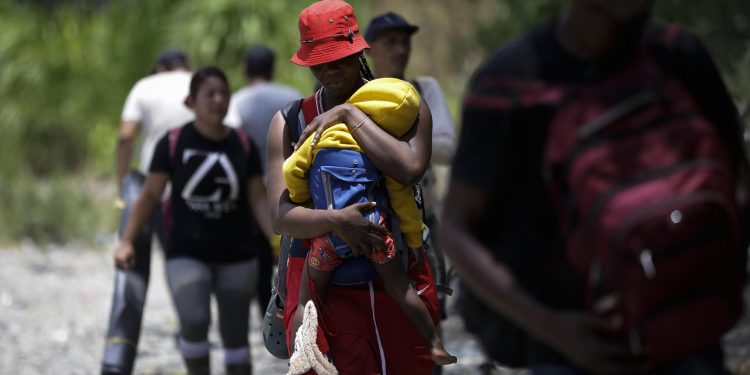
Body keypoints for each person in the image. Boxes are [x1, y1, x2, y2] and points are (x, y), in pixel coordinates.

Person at [441, 0, 749, 374]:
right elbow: (456, 229)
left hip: (688, 336)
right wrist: (552, 328)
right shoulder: (512, 83)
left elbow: (736, 178)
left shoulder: (678, 56)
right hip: (573, 349)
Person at [266, 1, 442, 373]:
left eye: (340, 59)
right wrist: (337, 221)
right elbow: (281, 217)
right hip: (323, 280)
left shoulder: (403, 107)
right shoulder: (290, 121)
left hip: (396, 269)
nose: (330, 71)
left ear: (359, 51)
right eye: (319, 62)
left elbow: (410, 169)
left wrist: (350, 114)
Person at [283, 77, 457, 366]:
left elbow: (292, 176)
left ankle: (303, 348)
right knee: (401, 289)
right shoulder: (380, 147)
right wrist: (413, 241)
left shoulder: (319, 136)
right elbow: (403, 198)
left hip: (330, 238)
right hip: (376, 229)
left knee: (308, 296)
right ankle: (433, 341)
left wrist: (307, 199)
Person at [114, 66, 273, 375]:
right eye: (209, 94)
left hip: (238, 254)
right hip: (186, 252)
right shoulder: (174, 143)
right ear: (191, 102)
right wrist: (127, 241)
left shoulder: (243, 144)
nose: (218, 100)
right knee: (194, 321)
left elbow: (257, 198)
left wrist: (276, 239)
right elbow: (149, 196)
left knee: (236, 335)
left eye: (223, 93)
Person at [101, 47, 194, 375]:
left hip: (148, 193)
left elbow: (126, 136)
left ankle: (117, 358)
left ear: (159, 68)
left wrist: (123, 183)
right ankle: (193, 345)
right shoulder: (200, 85)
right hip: (190, 195)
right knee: (184, 270)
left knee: (131, 270)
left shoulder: (145, 86)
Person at [364, 12, 457, 324]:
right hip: (372, 228)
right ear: (369, 49)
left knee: (431, 311)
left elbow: (447, 148)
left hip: (423, 223)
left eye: (405, 42)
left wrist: (391, 146)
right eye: (390, 42)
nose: (400, 50)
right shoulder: (359, 96)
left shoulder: (423, 89)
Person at [224, 45, 302, 318]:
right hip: (290, 189)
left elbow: (231, 143)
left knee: (258, 253)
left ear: (245, 70)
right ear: (273, 68)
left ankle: (265, 314)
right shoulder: (292, 97)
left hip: (251, 191)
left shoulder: (237, 101)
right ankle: (291, 306)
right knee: (291, 253)